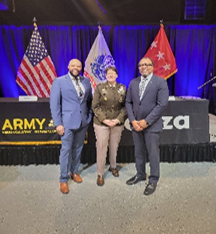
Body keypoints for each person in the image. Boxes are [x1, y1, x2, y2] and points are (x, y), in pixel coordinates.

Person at [125, 57, 169, 195]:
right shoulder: (133, 82)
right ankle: (140, 174)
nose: (143, 67)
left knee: (153, 153)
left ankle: (154, 179)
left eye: (146, 64)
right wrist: (133, 120)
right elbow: (128, 102)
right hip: (136, 125)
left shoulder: (160, 82)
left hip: (151, 125)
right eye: (141, 65)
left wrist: (146, 122)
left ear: (152, 66)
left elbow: (162, 104)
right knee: (138, 151)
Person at [50, 59, 92, 194]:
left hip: (82, 122)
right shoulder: (59, 81)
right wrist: (58, 124)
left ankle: (74, 172)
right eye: (73, 65)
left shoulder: (86, 81)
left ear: (81, 67)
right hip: (66, 124)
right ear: (68, 66)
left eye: (78, 66)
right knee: (66, 150)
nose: (76, 67)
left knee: (78, 148)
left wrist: (88, 116)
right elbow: (54, 105)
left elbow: (89, 101)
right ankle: (63, 179)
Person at [92, 66, 127, 186]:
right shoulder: (100, 87)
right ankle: (100, 174)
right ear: (105, 76)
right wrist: (105, 120)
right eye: (108, 73)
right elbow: (95, 106)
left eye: (113, 73)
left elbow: (126, 106)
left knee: (114, 146)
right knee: (101, 148)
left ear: (117, 75)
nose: (110, 75)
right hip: (102, 122)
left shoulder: (122, 88)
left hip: (117, 122)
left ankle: (113, 167)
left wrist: (117, 120)